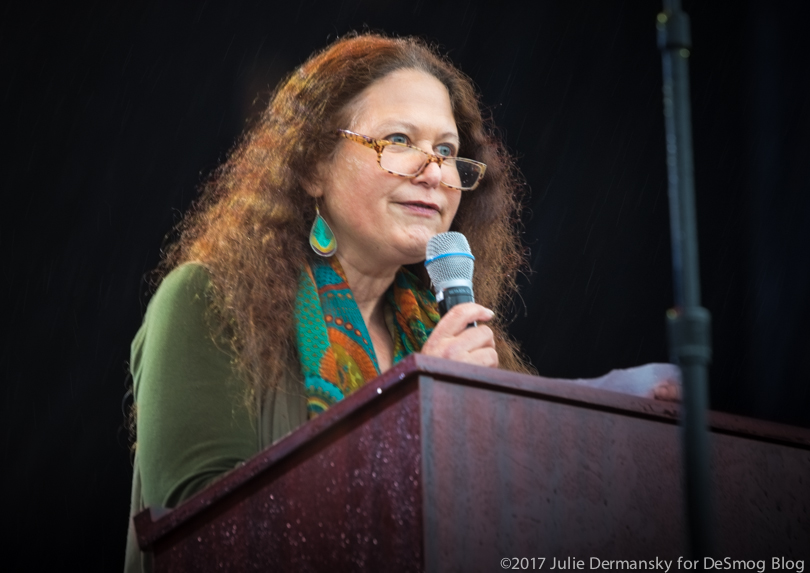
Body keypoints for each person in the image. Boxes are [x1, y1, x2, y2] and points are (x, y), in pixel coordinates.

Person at [124, 32, 533, 571]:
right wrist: (413, 408)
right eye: (399, 140)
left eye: (446, 151)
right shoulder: (208, 300)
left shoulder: (454, 339)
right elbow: (206, 544)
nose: (434, 172)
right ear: (313, 166)